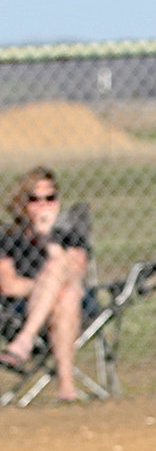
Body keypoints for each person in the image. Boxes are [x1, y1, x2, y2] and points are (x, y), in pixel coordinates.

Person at [0, 167, 90, 402]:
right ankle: (66, 388)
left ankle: (25, 340)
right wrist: (45, 289)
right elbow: (9, 285)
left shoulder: (69, 232)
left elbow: (76, 271)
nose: (43, 205)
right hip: (22, 307)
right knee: (64, 294)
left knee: (64, 284)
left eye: (50, 198)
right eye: (34, 199)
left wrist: (48, 238)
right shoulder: (9, 236)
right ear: (22, 202)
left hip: (78, 303)